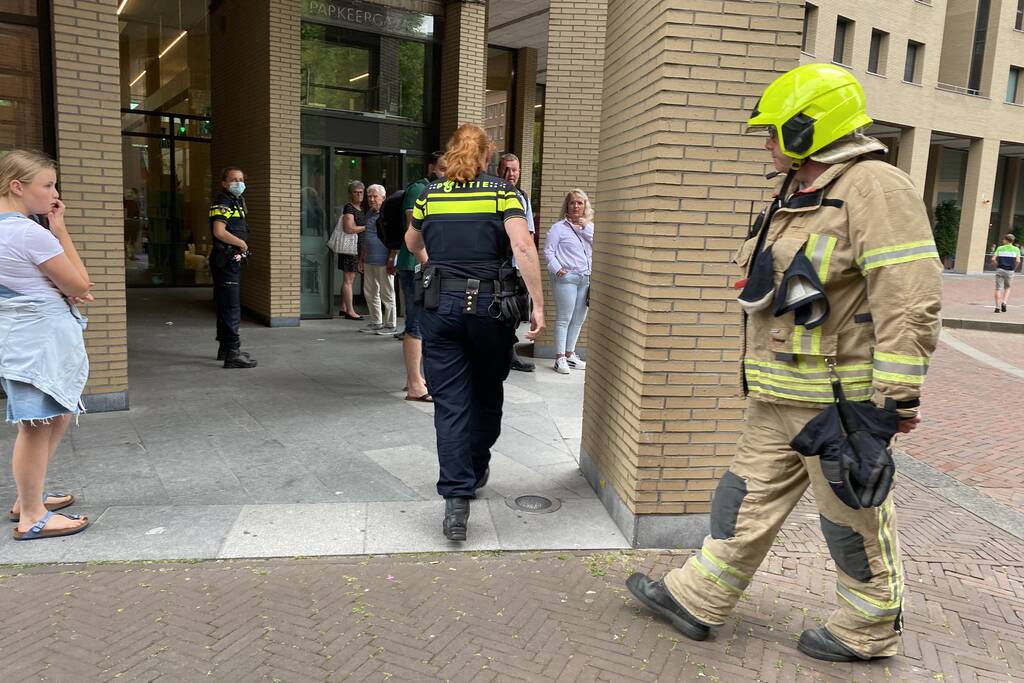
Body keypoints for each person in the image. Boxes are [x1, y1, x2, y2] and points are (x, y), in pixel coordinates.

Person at [625, 64, 942, 662]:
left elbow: (909, 292)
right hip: (776, 395)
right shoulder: (797, 190)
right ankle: (698, 598)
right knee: (741, 500)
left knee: (853, 522)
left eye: (773, 132)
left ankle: (868, 629)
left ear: (808, 128)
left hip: (837, 406)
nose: (767, 144)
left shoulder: (877, 187)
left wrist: (896, 396)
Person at [406, 123, 545, 541]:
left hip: (440, 310)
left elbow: (412, 243)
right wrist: (538, 304)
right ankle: (477, 464)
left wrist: (437, 265)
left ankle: (455, 503)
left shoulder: (430, 194)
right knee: (487, 393)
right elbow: (522, 246)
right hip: (490, 310)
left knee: (450, 405)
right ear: (487, 156)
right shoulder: (504, 193)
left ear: (452, 154)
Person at [0, 150, 93, 540]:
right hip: (37, 344)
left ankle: (29, 498)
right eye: (48, 185)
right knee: (36, 424)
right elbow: (80, 284)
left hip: (23, 340)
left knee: (56, 415)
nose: (54, 194)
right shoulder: (27, 232)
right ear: (17, 187)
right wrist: (60, 230)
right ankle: (32, 516)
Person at [398, 152, 447, 401]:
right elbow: (413, 234)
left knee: (422, 324)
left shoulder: (438, 191)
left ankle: (414, 380)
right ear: (431, 167)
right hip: (416, 266)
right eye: (441, 168)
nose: (446, 173)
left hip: (426, 266)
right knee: (416, 325)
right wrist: (429, 266)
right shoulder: (420, 189)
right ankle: (416, 386)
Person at [209, 167, 257, 369]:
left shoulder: (235, 201)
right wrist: (242, 244)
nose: (238, 183)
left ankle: (225, 349)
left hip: (229, 259)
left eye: (241, 179)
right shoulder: (224, 201)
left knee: (225, 305)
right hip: (226, 258)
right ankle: (233, 353)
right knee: (231, 307)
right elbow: (219, 231)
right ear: (224, 182)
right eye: (233, 179)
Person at [544, 190, 594, 374]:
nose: (576, 206)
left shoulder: (589, 227)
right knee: (564, 318)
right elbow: (549, 251)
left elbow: (598, 243)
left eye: (580, 203)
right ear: (567, 205)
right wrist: (558, 270)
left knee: (579, 319)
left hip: (585, 279)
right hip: (568, 279)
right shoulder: (558, 228)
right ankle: (560, 358)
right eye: (573, 203)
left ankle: (570, 354)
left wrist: (585, 227)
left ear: (585, 206)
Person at [498, 153, 537, 373]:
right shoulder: (493, 194)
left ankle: (510, 356)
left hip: (514, 266)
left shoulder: (522, 197)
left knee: (513, 313)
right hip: (494, 265)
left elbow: (529, 234)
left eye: (514, 170)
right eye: (506, 169)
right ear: (498, 171)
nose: (511, 174)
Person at [359, 184, 397, 335]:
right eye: (369, 196)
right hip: (369, 259)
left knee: (387, 293)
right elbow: (367, 236)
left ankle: (390, 325)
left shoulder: (388, 213)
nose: (372, 199)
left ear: (383, 197)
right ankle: (376, 322)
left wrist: (392, 258)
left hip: (384, 260)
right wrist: (362, 258)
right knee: (370, 292)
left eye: (375, 196)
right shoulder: (369, 213)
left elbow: (394, 236)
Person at [337, 180, 366, 321]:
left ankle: (343, 307)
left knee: (349, 280)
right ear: (350, 194)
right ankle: (350, 310)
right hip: (350, 249)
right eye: (355, 192)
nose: (359, 195)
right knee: (349, 280)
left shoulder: (360, 208)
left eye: (361, 192)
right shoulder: (349, 208)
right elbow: (348, 228)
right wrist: (367, 227)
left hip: (356, 249)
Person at [991, 233, 1020, 312]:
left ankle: (997, 307)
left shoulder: (1000, 248)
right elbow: (1018, 260)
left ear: (1006, 240)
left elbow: (993, 259)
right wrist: (1014, 268)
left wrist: (997, 265)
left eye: (1004, 239)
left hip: (1000, 269)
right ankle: (1004, 302)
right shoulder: (1016, 249)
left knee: (998, 288)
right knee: (1007, 287)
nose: (1003, 240)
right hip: (1010, 270)